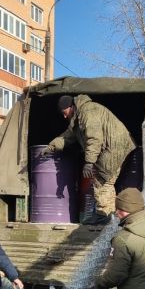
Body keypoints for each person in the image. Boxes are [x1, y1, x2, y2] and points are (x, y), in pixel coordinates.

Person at [41, 94, 136, 223]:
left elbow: (94, 138)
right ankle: (107, 215)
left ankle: (105, 215)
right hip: (114, 147)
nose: (64, 116)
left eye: (65, 112)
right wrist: (51, 147)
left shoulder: (88, 111)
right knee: (104, 181)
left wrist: (89, 162)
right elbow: (66, 137)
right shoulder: (77, 118)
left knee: (102, 180)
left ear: (71, 106)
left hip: (114, 147)